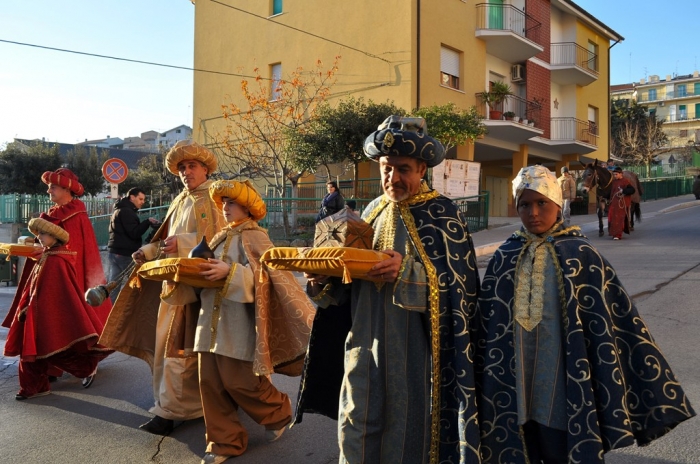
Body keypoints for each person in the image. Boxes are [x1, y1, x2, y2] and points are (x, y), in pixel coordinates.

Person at [474, 165, 695, 463]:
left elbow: (612, 319)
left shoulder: (581, 253)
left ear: (557, 205)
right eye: (524, 205)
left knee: (561, 441)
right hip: (514, 374)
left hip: (565, 371)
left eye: (542, 203)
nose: (534, 213)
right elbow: (488, 319)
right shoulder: (505, 255)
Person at [299, 116, 481, 463]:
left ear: (422, 169)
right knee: (356, 424)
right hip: (363, 343)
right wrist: (321, 281)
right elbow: (345, 285)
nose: (392, 178)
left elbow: (463, 293)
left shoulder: (444, 214)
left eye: (403, 169)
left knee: (406, 430)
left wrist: (407, 272)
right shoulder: (371, 210)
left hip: (416, 353)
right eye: (385, 168)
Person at [167, 179, 314, 463]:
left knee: (240, 382)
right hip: (208, 321)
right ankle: (224, 443)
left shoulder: (256, 236)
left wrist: (230, 272)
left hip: (239, 323)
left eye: (230, 203)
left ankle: (279, 413)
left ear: (247, 207)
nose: (224, 208)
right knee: (209, 384)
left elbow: (267, 278)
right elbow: (203, 272)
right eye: (222, 203)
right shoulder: (219, 237)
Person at [100, 140, 225, 435]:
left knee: (181, 350)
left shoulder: (214, 197)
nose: (185, 171)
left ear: (205, 168)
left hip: (200, 288)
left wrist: (178, 244)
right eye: (181, 167)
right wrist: (148, 250)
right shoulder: (180, 199)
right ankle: (173, 405)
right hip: (173, 283)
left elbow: (218, 240)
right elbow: (166, 239)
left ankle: (173, 411)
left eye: (191, 166)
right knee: (169, 349)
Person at [2, 214, 112, 400]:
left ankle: (87, 366)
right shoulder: (47, 256)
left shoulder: (58, 260)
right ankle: (35, 387)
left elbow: (56, 293)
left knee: (51, 351)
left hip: (47, 315)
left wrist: (37, 309)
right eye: (39, 234)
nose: (40, 237)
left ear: (55, 238)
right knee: (33, 354)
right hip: (36, 313)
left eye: (44, 234)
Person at [107, 187, 159, 302]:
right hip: (125, 254)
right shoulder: (126, 211)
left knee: (113, 286)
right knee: (139, 284)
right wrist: (148, 222)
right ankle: (135, 311)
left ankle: (108, 314)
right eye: (140, 199)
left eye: (143, 199)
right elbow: (134, 233)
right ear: (132, 197)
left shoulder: (119, 210)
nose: (142, 202)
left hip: (115, 252)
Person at [608, 165, 635, 240]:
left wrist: (623, 191)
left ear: (621, 174)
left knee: (619, 219)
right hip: (613, 204)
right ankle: (614, 234)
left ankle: (618, 235)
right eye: (614, 174)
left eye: (616, 174)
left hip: (622, 204)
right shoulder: (613, 182)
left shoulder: (626, 181)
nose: (615, 176)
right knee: (612, 219)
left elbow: (632, 190)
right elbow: (611, 192)